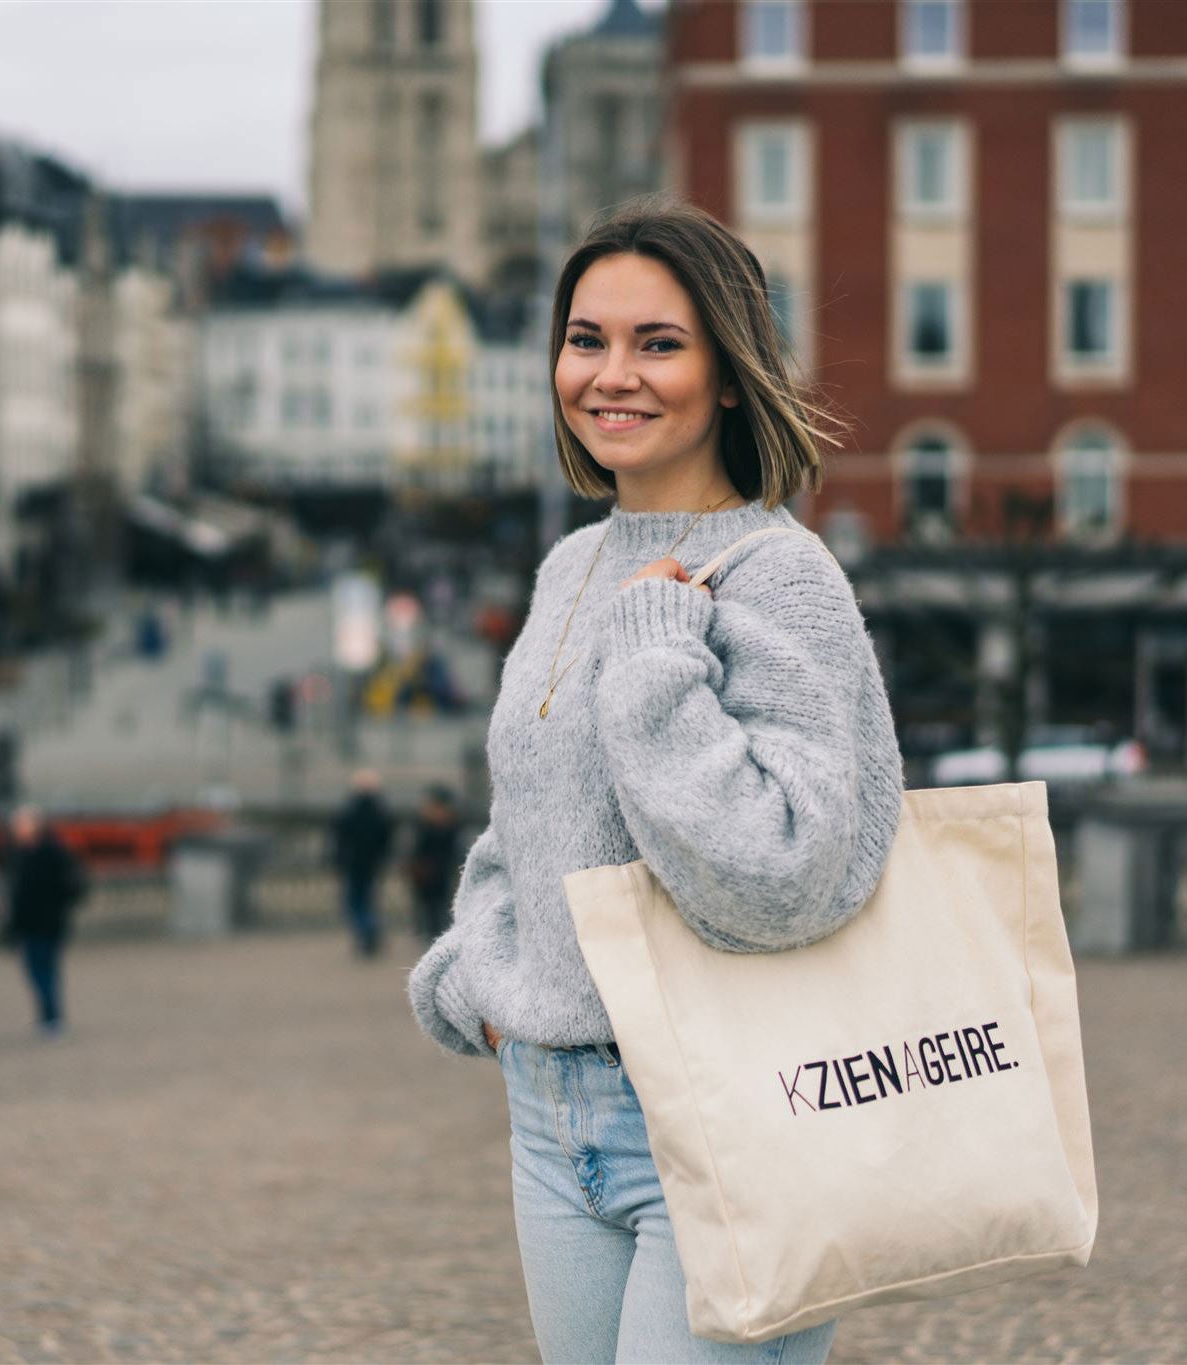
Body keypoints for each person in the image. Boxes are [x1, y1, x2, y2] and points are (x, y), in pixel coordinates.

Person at [407, 198, 904, 1364]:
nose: (610, 375)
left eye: (658, 344)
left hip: (734, 1110)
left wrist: (654, 665)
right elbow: (523, 827)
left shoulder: (783, 579)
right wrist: (477, 983)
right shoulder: (571, 565)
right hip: (552, 1115)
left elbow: (787, 876)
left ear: (731, 374)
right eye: (587, 340)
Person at [3, 805, 87, 1037]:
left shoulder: (52, 852)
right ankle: (48, 1014)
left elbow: (71, 885)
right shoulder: (18, 854)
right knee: (35, 971)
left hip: (48, 922)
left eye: (22, 825)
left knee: (46, 970)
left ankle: (52, 1016)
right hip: (28, 924)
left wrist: (58, 905)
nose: (18, 830)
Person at [330, 769, 394, 957]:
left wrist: (337, 862)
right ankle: (371, 930)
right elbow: (386, 840)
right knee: (368, 899)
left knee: (355, 901)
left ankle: (367, 931)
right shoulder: (380, 812)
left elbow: (340, 840)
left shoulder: (349, 811)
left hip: (353, 863)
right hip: (372, 864)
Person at [404, 784, 462, 944]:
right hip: (433, 869)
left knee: (434, 903)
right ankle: (434, 933)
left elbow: (419, 847)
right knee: (432, 903)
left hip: (432, 869)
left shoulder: (431, 824)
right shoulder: (446, 823)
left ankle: (435, 933)